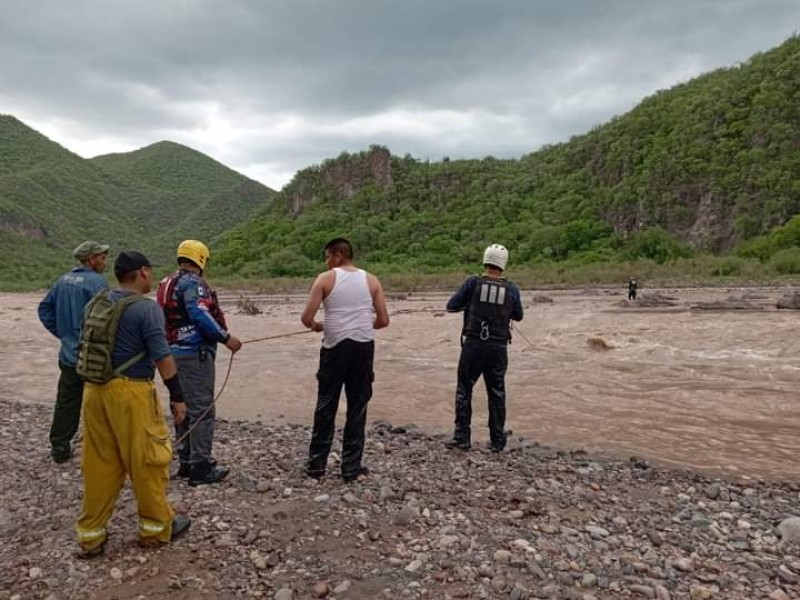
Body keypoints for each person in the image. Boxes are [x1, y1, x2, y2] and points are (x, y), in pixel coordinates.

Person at [76, 251, 191, 558]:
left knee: (100, 465)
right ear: (142, 272)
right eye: (149, 272)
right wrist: (177, 396)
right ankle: (156, 528)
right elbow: (162, 356)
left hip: (93, 392)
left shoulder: (96, 302)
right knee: (148, 461)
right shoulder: (146, 309)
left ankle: (90, 536)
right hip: (130, 395)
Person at [300, 238, 390, 482]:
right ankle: (351, 468)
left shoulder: (324, 279)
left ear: (338, 255)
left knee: (326, 404)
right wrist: (361, 324)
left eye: (328, 256)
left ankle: (316, 465)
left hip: (334, 347)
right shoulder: (372, 280)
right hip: (363, 346)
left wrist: (318, 325)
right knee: (357, 406)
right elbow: (383, 320)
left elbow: (306, 317)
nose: (326, 261)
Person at [156, 240, 242, 486]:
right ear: (201, 259)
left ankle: (186, 461)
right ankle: (200, 467)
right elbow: (199, 313)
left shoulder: (166, 283)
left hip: (172, 355)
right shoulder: (193, 283)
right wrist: (226, 338)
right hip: (195, 355)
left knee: (181, 406)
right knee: (202, 410)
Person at [445, 244, 523, 453]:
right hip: (498, 348)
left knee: (464, 388)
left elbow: (451, 305)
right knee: (497, 392)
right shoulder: (512, 288)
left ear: (485, 260)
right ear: (503, 264)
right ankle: (497, 441)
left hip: (474, 345)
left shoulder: (472, 283)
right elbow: (518, 315)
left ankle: (462, 437)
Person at [38, 240, 110, 463]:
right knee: (99, 401)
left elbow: (44, 309)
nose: (105, 260)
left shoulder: (63, 281)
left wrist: (63, 333)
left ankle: (59, 448)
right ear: (91, 259)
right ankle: (101, 450)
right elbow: (107, 318)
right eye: (102, 256)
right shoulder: (97, 283)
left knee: (66, 402)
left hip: (68, 354)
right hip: (93, 356)